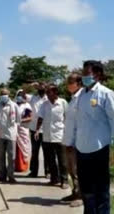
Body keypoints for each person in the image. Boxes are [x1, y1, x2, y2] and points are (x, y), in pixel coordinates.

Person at [74, 60, 114, 214]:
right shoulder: (81, 96)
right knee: (86, 190)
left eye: (86, 73)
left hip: (99, 149)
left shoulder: (106, 94)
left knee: (101, 191)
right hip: (82, 149)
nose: (83, 77)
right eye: (83, 73)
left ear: (97, 74)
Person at [35, 84, 69, 189]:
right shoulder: (44, 104)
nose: (47, 94)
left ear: (55, 93)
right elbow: (40, 118)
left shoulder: (63, 103)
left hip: (60, 135)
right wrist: (37, 130)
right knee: (50, 160)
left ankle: (64, 180)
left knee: (62, 160)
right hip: (47, 136)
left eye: (49, 92)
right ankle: (54, 179)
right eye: (46, 92)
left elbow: (67, 118)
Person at [61, 73, 83, 207]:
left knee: (78, 170)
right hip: (68, 141)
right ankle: (75, 192)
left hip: (76, 143)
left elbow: (80, 123)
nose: (68, 84)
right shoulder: (73, 98)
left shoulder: (81, 98)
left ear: (78, 83)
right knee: (71, 170)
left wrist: (73, 142)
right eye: (68, 81)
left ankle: (81, 196)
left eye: (71, 81)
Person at [27, 82, 49, 178]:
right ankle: (33, 172)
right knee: (34, 152)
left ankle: (47, 172)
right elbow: (23, 93)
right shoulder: (33, 98)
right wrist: (30, 86)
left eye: (43, 86)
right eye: (40, 86)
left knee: (46, 152)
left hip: (45, 130)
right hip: (33, 128)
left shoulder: (48, 98)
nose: (41, 88)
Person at [15, 90, 32, 172]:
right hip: (15, 130)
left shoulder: (27, 106)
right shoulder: (14, 105)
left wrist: (20, 121)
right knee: (15, 148)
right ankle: (16, 166)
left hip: (23, 129)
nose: (20, 97)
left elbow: (30, 117)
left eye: (22, 95)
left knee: (24, 147)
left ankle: (23, 166)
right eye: (19, 95)